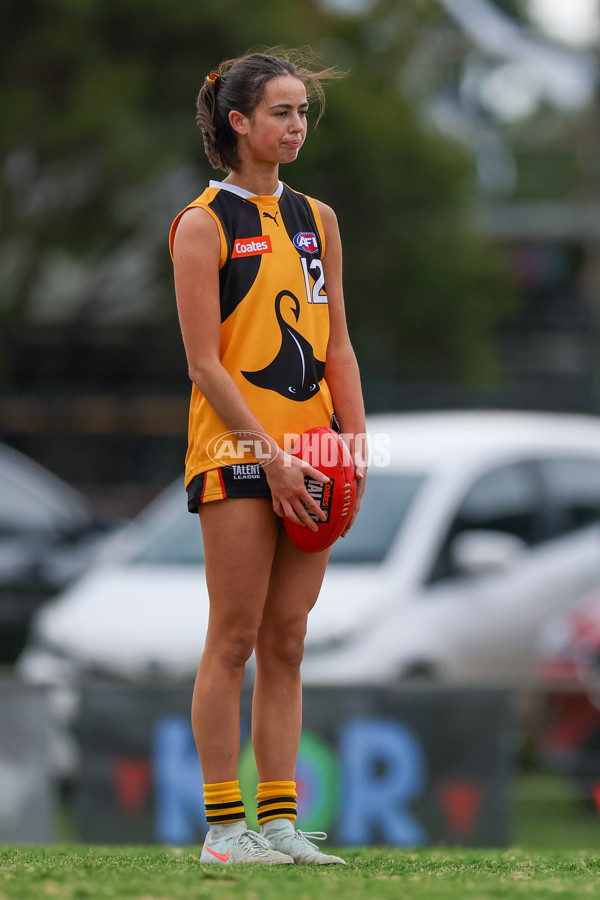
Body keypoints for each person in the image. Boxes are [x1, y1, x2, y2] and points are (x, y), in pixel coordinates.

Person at [170, 48, 366, 866]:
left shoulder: (318, 219)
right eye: (281, 112)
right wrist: (272, 460)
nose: (296, 126)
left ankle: (281, 825)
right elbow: (204, 366)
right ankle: (224, 832)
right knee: (234, 638)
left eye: (303, 113)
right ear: (238, 122)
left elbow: (338, 346)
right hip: (235, 454)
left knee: (288, 640)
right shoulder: (202, 223)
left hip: (313, 455)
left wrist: (354, 447)